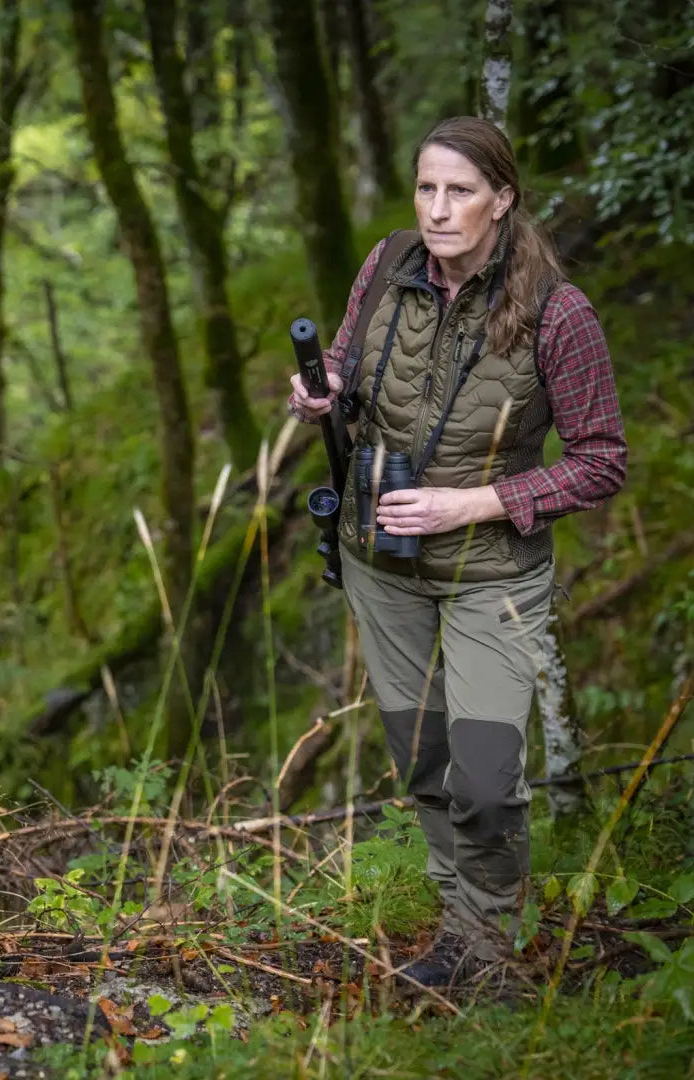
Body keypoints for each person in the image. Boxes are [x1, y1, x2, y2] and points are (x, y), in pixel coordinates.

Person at [288, 116, 627, 986]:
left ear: (503, 199)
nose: (438, 212)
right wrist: (320, 393)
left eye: (461, 192)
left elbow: (601, 463)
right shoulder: (389, 263)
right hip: (379, 559)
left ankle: (493, 936)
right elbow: (348, 360)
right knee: (425, 759)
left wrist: (471, 502)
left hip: (492, 574)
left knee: (483, 777)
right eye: (426, 188)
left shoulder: (559, 312)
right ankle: (473, 937)